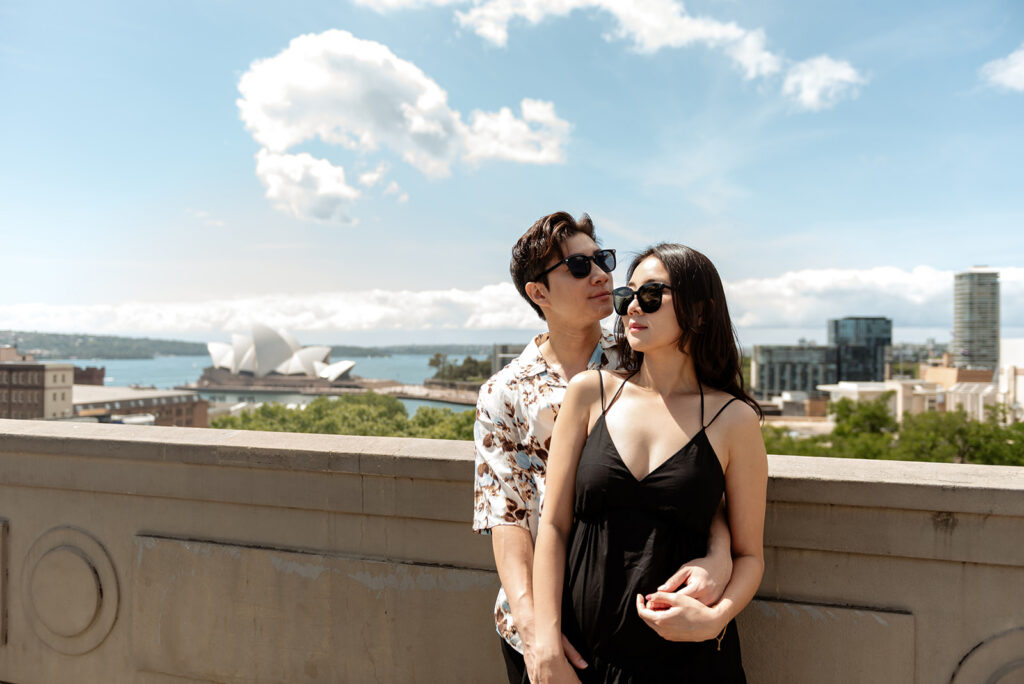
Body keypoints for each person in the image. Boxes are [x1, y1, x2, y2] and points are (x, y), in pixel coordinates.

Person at [473, 217, 735, 684]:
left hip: (637, 617)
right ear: (539, 294)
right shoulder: (504, 391)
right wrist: (538, 636)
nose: (600, 274)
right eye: (578, 266)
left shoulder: (644, 354)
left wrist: (720, 555)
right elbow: (508, 518)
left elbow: (693, 477)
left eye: (602, 259)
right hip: (544, 629)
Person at [531, 242, 768, 684]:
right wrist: (545, 643)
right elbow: (555, 526)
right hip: (582, 658)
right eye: (628, 295)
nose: (632, 307)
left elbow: (749, 554)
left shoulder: (734, 420)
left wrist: (715, 619)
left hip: (686, 664)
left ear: (699, 311)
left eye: (653, 295)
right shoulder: (590, 393)